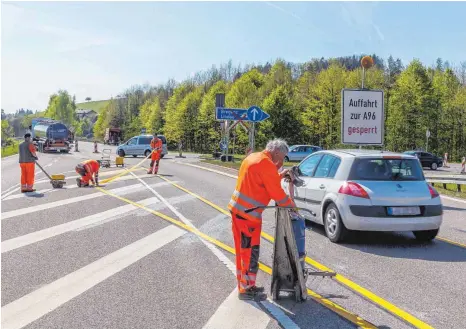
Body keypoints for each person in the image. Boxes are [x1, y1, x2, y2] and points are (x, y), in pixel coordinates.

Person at [228, 138, 296, 301]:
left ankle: (248, 285)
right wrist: (293, 206)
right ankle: (245, 290)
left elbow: (262, 182)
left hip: (243, 214)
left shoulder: (254, 158)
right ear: (277, 152)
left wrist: (279, 174)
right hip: (247, 218)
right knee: (247, 253)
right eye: (282, 157)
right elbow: (277, 195)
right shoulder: (266, 164)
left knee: (250, 251)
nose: (282, 161)